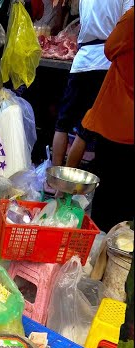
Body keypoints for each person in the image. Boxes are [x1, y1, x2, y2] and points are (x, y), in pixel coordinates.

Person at [51, 0, 132, 168]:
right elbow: (125, 28)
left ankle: (54, 176)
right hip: (105, 62)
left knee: (63, 124)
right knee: (85, 130)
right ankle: (67, 177)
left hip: (81, 61)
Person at [79, 8, 133, 231]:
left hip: (118, 119)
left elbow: (110, 48)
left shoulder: (132, 18)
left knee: (109, 193)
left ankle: (105, 242)